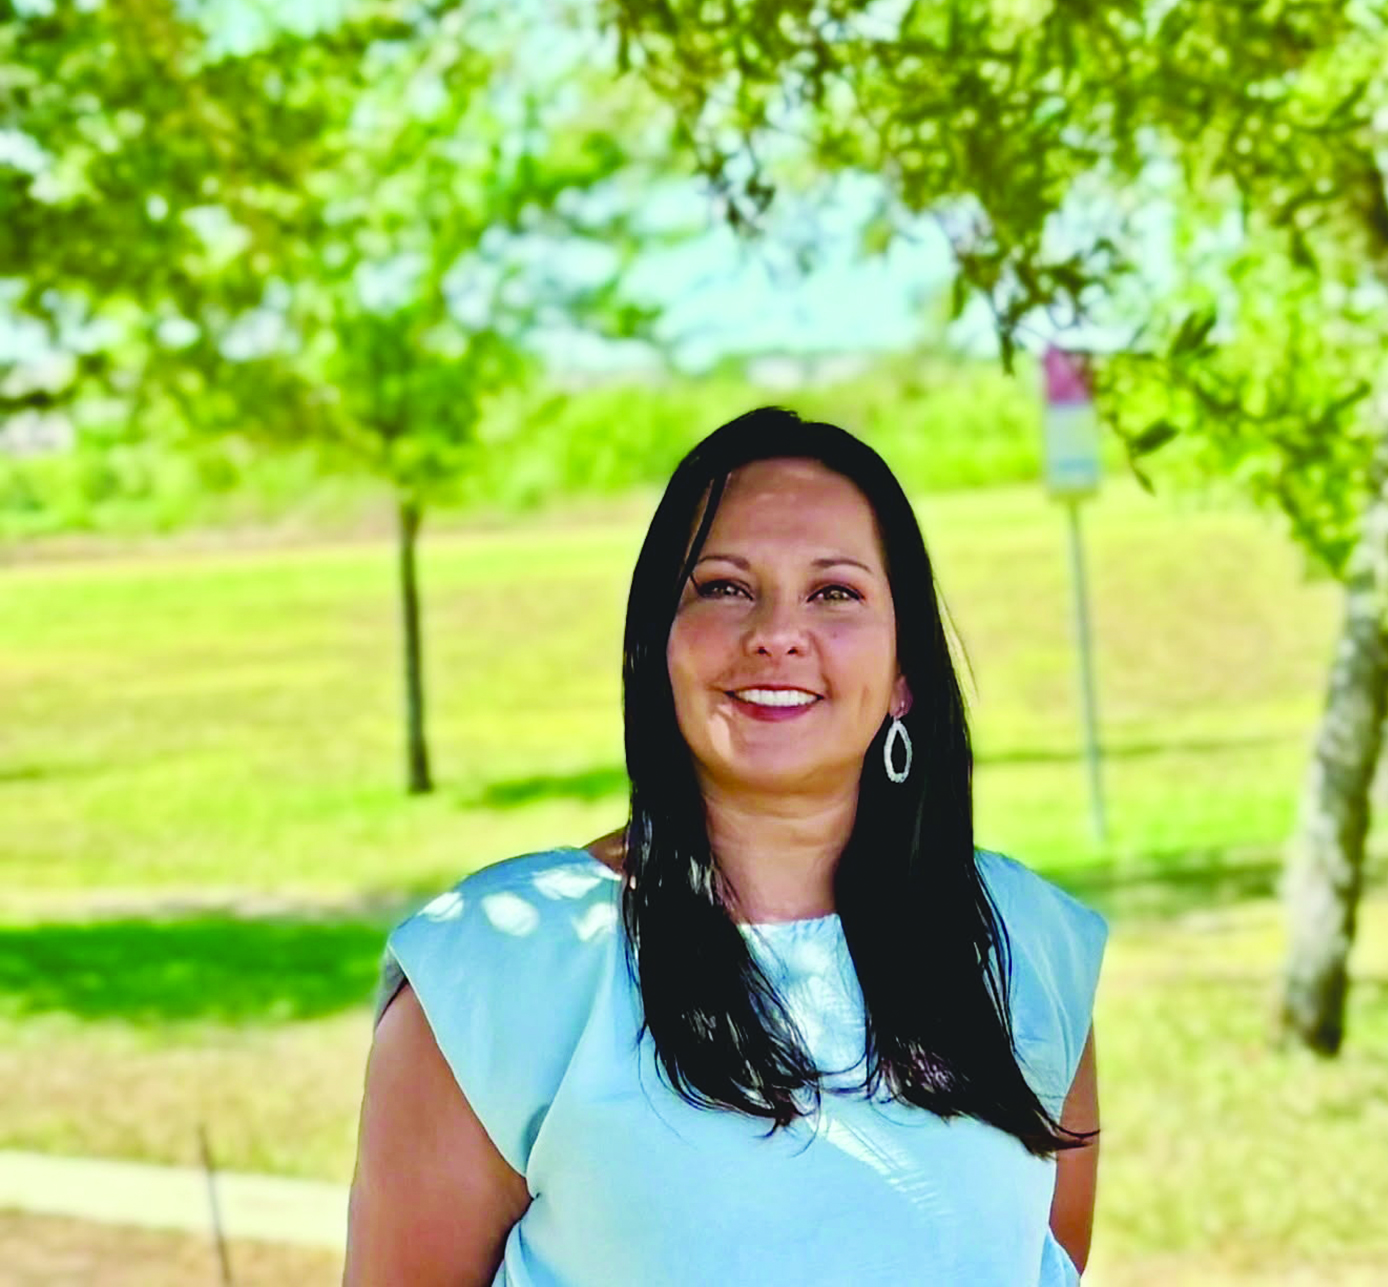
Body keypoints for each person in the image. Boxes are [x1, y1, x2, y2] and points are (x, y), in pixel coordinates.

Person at [344, 407, 1108, 1286]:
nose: (778, 632)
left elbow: (1045, 1256)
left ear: (904, 674)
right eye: (724, 587)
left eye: (835, 592)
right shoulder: (502, 967)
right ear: (656, 645)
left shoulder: (1026, 944)